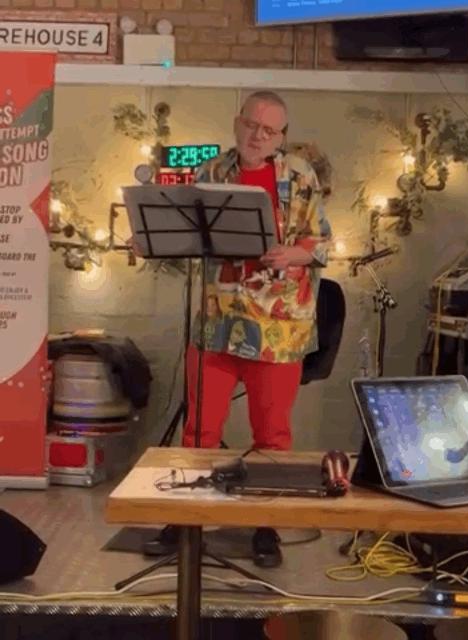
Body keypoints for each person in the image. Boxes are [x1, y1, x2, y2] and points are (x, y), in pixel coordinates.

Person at [151, 91, 332, 567]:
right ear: (237, 123)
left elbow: (321, 243)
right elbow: (187, 236)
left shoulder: (300, 175)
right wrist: (154, 238)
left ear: (281, 136)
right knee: (199, 431)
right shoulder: (210, 173)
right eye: (252, 125)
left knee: (272, 436)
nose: (258, 136)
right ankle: (188, 522)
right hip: (217, 322)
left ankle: (265, 527)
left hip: (278, 328)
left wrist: (294, 253)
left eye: (269, 130)